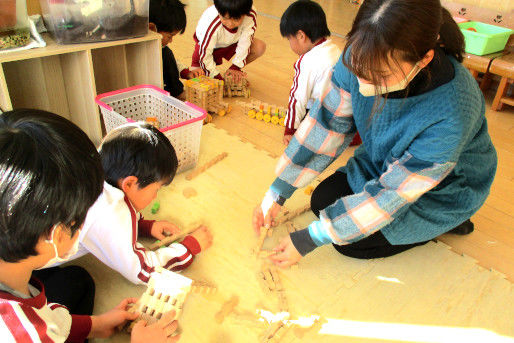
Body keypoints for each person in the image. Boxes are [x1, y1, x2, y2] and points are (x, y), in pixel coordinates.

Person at [253, 0, 497, 267]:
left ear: (424, 58)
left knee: (350, 242)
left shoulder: (452, 110)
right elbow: (327, 125)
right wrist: (278, 192)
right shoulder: (360, 55)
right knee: (322, 201)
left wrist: (311, 238)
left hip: (439, 186)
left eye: (378, 74)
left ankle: (447, 222)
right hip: (383, 162)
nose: (362, 81)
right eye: (358, 69)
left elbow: (395, 192)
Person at [0, 109, 180, 342]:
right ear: (56, 235)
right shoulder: (24, 334)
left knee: (78, 281)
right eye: (82, 215)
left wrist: (94, 326)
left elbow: (45, 317)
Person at [54, 122, 213, 285]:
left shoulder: (98, 173)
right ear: (129, 184)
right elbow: (144, 271)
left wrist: (146, 226)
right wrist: (189, 248)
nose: (155, 197)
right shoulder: (107, 215)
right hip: (35, 270)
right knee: (81, 284)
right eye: (156, 189)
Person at [279, 0, 341, 145]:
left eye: (289, 39)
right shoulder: (335, 50)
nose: (290, 44)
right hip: (344, 116)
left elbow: (298, 97)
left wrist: (290, 129)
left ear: (301, 36)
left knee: (298, 109)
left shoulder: (306, 62)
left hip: (326, 119)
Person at [191, 0, 266, 81]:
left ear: (245, 13)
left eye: (236, 19)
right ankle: (200, 67)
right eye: (225, 18)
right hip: (206, 49)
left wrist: (236, 67)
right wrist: (216, 77)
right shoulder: (211, 21)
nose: (230, 24)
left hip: (232, 43)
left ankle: (231, 72)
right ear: (218, 11)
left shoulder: (250, 13)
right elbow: (204, 52)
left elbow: (246, 40)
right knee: (196, 77)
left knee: (259, 47)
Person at [149, 0, 204, 99]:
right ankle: (176, 92)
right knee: (166, 52)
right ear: (152, 28)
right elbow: (168, 61)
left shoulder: (158, 45)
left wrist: (186, 72)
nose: (171, 41)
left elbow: (173, 63)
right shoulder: (161, 51)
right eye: (170, 36)